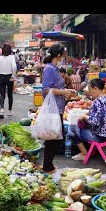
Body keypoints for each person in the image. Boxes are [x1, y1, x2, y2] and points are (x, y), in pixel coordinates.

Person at [40, 43, 76, 173]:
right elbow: (45, 90)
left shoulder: (54, 68)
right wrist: (64, 92)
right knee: (53, 138)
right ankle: (47, 167)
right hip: (53, 108)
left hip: (57, 107)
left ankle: (47, 165)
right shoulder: (50, 69)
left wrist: (67, 90)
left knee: (54, 137)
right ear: (59, 55)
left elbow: (56, 87)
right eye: (63, 54)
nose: (64, 56)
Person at [68, 79, 106, 161]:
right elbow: (101, 113)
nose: (90, 93)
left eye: (90, 90)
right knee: (77, 127)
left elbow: (94, 122)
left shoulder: (97, 101)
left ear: (95, 89)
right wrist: (88, 113)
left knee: (71, 128)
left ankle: (84, 153)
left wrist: (84, 117)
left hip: (98, 137)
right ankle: (84, 152)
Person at [0, 43, 17, 118]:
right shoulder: (11, 57)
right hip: (9, 77)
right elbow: (14, 66)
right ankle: (10, 111)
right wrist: (13, 75)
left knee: (2, 94)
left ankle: (1, 110)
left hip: (2, 77)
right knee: (10, 95)